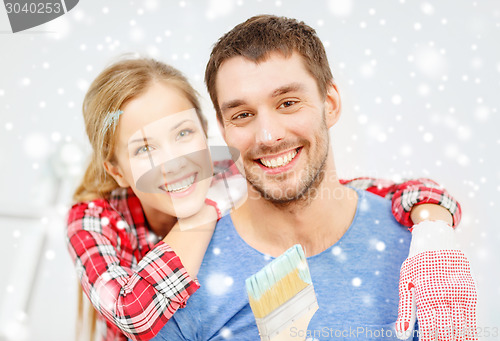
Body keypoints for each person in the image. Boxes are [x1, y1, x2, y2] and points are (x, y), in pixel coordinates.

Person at [67, 59, 464, 341]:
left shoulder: (225, 172)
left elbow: (349, 190)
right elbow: (132, 311)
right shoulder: (91, 220)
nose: (173, 162)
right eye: (143, 150)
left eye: (184, 134)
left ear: (209, 133)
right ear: (117, 171)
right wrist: (202, 216)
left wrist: (432, 220)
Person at [152, 15, 476, 341]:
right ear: (224, 130)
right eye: (243, 115)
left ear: (330, 104)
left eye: (288, 103)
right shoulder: (186, 284)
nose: (267, 135)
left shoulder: (420, 253)